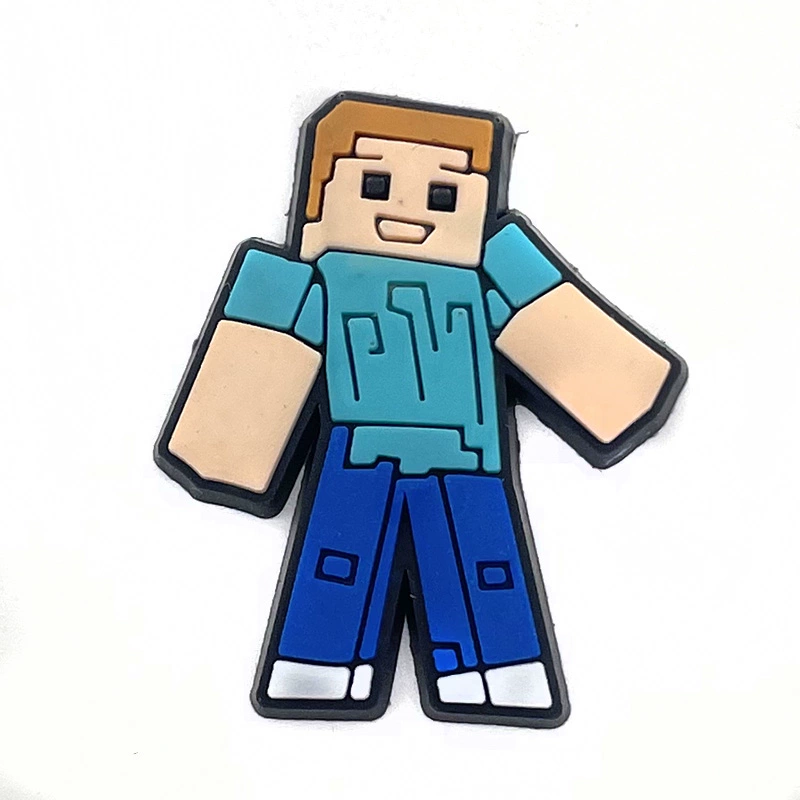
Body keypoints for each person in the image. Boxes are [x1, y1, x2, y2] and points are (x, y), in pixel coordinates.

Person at [155, 92, 687, 727]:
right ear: (321, 205)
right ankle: (320, 664)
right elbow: (255, 376)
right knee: (338, 564)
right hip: (358, 458)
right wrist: (260, 322)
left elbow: (576, 351)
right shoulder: (323, 283)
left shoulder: (489, 281)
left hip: (469, 463)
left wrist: (525, 274)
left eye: (442, 195)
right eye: (376, 185)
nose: (407, 209)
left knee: (483, 567)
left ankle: (498, 669)